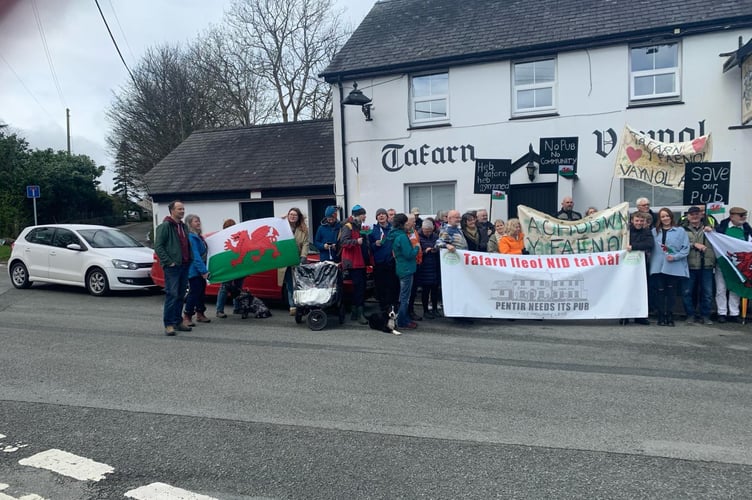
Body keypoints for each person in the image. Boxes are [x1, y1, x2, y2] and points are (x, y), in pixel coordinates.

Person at [154, 200, 192, 336]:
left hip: (184, 265)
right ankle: (168, 324)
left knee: (181, 295)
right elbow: (158, 246)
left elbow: (187, 244)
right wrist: (169, 262)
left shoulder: (183, 226)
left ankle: (178, 321)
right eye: (179, 209)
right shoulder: (165, 226)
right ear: (172, 211)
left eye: (183, 209)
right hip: (173, 267)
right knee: (172, 294)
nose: (182, 211)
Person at [649, 207, 690, 327]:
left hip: (673, 266)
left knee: (671, 292)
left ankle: (670, 315)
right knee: (660, 291)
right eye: (662, 216)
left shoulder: (680, 231)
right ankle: (661, 315)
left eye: (667, 216)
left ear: (671, 217)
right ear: (659, 219)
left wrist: (676, 257)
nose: (665, 218)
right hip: (658, 266)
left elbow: (686, 248)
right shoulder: (654, 231)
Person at [714, 206, 752, 323]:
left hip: (738, 266)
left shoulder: (747, 231)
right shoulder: (721, 229)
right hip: (723, 264)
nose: (743, 218)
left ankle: (734, 313)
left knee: (735, 289)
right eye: (741, 216)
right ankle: (722, 312)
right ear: (732, 216)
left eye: (744, 215)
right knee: (721, 289)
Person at [681, 206, 716, 325]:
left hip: (706, 265)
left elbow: (719, 240)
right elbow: (679, 243)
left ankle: (705, 315)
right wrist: (694, 244)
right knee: (687, 292)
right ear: (688, 216)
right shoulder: (682, 230)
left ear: (701, 215)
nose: (694, 216)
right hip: (689, 265)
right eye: (692, 214)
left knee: (707, 293)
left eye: (697, 214)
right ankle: (690, 315)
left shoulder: (710, 229)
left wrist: (713, 231)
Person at [388, 213, 419, 329]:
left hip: (401, 267)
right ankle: (402, 321)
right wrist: (417, 247)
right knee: (405, 297)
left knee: (403, 295)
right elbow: (409, 254)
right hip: (406, 268)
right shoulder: (402, 236)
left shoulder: (394, 234)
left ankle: (403, 318)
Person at [620, 211, 652, 325]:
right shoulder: (626, 232)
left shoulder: (647, 232)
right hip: (626, 264)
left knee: (641, 290)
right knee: (626, 289)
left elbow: (649, 244)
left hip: (641, 265)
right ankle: (625, 315)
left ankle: (640, 315)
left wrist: (634, 247)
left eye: (641, 221)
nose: (639, 223)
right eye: (637, 220)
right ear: (632, 221)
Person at [339, 204, 370, 324]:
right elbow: (343, 242)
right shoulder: (348, 226)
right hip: (354, 263)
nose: (365, 216)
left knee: (360, 288)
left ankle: (355, 312)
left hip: (360, 262)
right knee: (359, 288)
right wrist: (356, 242)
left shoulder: (359, 226)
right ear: (358, 215)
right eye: (363, 214)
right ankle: (359, 313)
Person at [182, 214, 211, 327]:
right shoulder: (191, 238)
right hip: (194, 270)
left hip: (200, 269)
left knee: (201, 292)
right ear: (190, 224)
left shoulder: (199, 237)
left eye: (198, 221)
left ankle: (200, 313)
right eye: (195, 221)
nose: (198, 223)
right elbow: (195, 256)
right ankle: (187, 315)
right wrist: (203, 271)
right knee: (194, 293)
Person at [369, 208, 399, 312]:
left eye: (383, 214)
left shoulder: (393, 229)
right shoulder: (373, 230)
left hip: (391, 262)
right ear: (376, 217)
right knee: (381, 287)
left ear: (387, 216)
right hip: (379, 263)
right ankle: (383, 308)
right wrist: (374, 244)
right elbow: (369, 246)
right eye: (379, 215)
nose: (381, 216)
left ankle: (394, 307)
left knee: (393, 285)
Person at [216, 218, 246, 318]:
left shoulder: (239, 238)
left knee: (237, 288)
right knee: (225, 287)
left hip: (237, 266)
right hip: (230, 266)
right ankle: (220, 310)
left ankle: (236, 308)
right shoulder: (221, 238)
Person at [283, 207, 310, 316]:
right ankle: (293, 305)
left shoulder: (303, 229)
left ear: (298, 217)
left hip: (298, 260)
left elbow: (306, 243)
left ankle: (301, 304)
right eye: (291, 214)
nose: (292, 216)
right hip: (286, 260)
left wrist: (303, 256)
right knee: (290, 284)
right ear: (288, 216)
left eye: (295, 215)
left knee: (300, 284)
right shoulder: (282, 227)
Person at [416, 219, 440, 319]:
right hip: (424, 267)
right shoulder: (418, 237)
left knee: (435, 289)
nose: (428, 233)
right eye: (426, 231)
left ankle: (435, 309)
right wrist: (425, 251)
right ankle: (425, 310)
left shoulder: (435, 236)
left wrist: (436, 250)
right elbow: (417, 251)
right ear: (422, 229)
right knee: (425, 290)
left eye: (430, 231)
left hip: (434, 266)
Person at [406, 213, 424, 321]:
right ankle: (408, 311)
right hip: (409, 264)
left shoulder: (415, 231)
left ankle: (411, 310)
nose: (415, 222)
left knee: (414, 289)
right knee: (408, 290)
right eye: (413, 221)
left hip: (417, 263)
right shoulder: (404, 234)